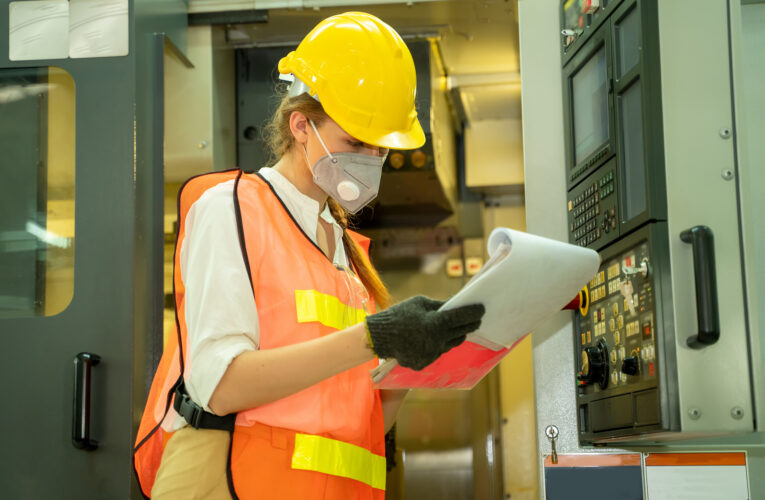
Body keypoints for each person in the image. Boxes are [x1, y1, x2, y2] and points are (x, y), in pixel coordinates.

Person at [133, 12, 485, 499]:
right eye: (354, 142)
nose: (370, 159)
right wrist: (374, 336)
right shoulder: (233, 208)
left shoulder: (345, 254)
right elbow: (220, 385)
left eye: (380, 148)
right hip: (231, 482)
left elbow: (359, 424)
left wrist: (410, 366)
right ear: (301, 125)